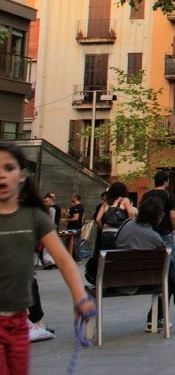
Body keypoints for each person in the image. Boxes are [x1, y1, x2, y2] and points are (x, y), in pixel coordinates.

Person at [0, 144, 96, 373]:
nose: (1, 174)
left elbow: (63, 259)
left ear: (22, 175)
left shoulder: (33, 216)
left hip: (18, 322)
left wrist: (79, 296)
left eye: (8, 167)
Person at [114, 195, 175, 325]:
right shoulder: (153, 237)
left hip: (116, 278)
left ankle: (172, 311)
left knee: (169, 267)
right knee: (170, 267)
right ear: (157, 216)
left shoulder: (125, 225)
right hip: (137, 282)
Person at [140, 169, 175, 252]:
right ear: (165, 181)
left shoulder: (146, 195)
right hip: (165, 230)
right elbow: (172, 215)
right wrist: (173, 228)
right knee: (168, 256)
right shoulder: (168, 195)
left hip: (149, 230)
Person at [94, 182, 135, 251]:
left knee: (106, 254)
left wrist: (103, 228)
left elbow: (97, 219)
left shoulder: (106, 202)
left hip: (106, 233)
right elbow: (130, 213)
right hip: (119, 232)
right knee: (118, 255)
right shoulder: (124, 200)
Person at [66, 193, 84, 262]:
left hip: (75, 227)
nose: (71, 198)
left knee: (75, 243)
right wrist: (65, 213)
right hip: (74, 227)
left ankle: (77, 258)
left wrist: (66, 220)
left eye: (72, 196)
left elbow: (76, 218)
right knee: (73, 242)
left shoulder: (79, 207)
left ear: (75, 198)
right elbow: (72, 215)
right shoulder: (74, 207)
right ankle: (74, 257)